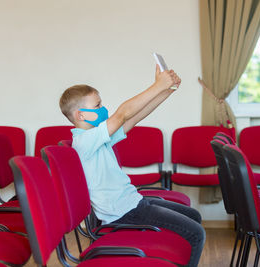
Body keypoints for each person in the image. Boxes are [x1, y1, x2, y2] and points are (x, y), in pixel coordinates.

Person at [59, 65, 205, 266]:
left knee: (194, 216)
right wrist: (157, 85)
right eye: (97, 106)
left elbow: (133, 117)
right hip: (124, 212)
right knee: (196, 234)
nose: (103, 109)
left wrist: (166, 91)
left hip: (133, 203)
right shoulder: (84, 141)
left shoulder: (98, 137)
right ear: (80, 115)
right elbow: (122, 114)